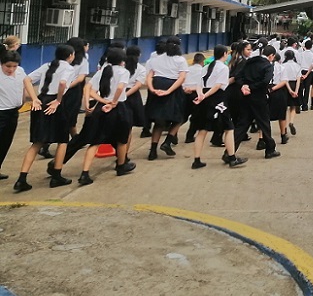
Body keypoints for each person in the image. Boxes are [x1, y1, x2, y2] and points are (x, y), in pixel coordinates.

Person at [13, 44, 75, 192]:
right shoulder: (68, 68)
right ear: (70, 56)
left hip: (41, 102)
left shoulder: (47, 65)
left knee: (37, 142)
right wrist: (59, 101)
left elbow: (27, 80)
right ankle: (56, 176)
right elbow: (62, 83)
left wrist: (34, 98)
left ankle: (22, 179)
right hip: (55, 103)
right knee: (62, 140)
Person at [75, 47, 133, 186]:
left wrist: (103, 101)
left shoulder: (102, 72)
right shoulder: (123, 72)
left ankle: (85, 173)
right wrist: (113, 103)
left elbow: (92, 91)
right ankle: (121, 165)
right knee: (122, 140)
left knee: (95, 141)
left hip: (101, 108)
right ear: (122, 61)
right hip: (118, 108)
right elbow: (120, 88)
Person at [189, 45, 247, 169]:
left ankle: (197, 160)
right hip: (218, 99)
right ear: (225, 54)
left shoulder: (205, 67)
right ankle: (232, 158)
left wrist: (201, 95)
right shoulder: (223, 68)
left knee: (202, 131)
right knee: (229, 128)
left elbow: (199, 84)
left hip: (204, 99)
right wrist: (205, 95)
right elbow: (217, 85)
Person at [145, 36, 188, 160]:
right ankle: (167, 142)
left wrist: (152, 89)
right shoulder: (180, 60)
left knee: (159, 121)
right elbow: (181, 78)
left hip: (157, 85)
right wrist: (169, 91)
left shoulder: (156, 59)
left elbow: (149, 76)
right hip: (172, 88)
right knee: (179, 117)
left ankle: (152, 151)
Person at [0, 50, 40, 180]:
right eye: (8, 66)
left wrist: (28, 99)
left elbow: (25, 85)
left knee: (6, 142)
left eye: (14, 66)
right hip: (1, 111)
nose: (11, 69)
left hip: (13, 111)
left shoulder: (20, 71)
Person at [234, 45, 279, 159]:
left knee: (242, 124)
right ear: (271, 56)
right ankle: (270, 149)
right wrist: (252, 87)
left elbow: (238, 76)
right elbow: (265, 81)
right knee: (264, 123)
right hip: (259, 98)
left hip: (245, 97)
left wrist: (244, 86)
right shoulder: (267, 65)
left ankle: (230, 151)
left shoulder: (249, 62)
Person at [182, 53, 206, 144]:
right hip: (196, 94)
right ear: (202, 62)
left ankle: (173, 134)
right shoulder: (203, 70)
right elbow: (202, 85)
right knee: (195, 117)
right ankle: (189, 136)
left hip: (184, 93)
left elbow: (181, 80)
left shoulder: (187, 69)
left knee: (183, 116)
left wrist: (185, 89)